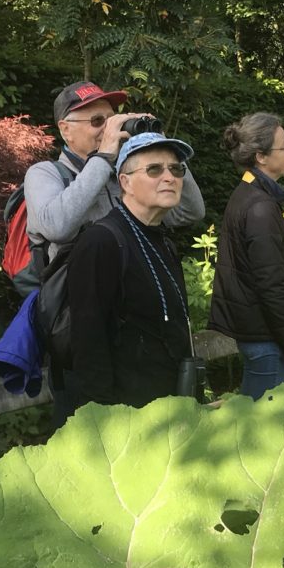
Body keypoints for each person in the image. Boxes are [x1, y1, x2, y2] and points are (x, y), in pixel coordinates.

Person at [23, 81, 205, 419]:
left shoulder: (122, 173)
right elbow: (57, 225)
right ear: (65, 129)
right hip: (80, 341)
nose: (108, 128)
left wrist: (161, 146)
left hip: (133, 349)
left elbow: (191, 212)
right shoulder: (46, 173)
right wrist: (104, 158)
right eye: (96, 122)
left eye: (112, 119)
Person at [67, 132, 196, 408]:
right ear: (125, 182)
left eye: (176, 169)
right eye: (154, 169)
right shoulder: (101, 242)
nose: (169, 177)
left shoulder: (164, 241)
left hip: (173, 411)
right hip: (128, 421)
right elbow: (88, 343)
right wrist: (105, 424)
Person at [209, 113, 284, 399]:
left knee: (252, 420)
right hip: (266, 339)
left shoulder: (249, 194)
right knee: (257, 427)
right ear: (261, 157)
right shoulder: (259, 208)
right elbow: (271, 284)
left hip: (259, 333)